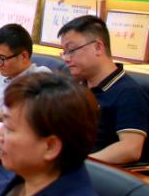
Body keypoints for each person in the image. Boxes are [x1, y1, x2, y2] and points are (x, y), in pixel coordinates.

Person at [58, 14, 149, 165]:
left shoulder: (129, 92)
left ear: (98, 47)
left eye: (71, 50)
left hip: (95, 171)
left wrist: (80, 164)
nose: (66, 58)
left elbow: (130, 148)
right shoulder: (79, 85)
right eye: (64, 52)